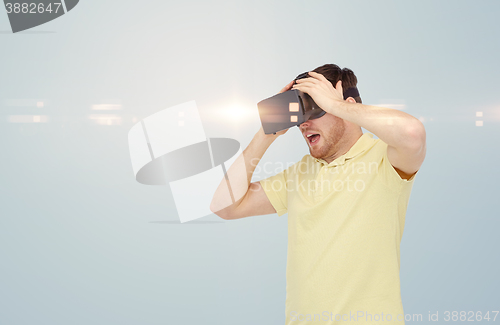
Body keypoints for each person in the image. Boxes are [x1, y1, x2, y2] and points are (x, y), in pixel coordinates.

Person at [210, 64, 426, 324]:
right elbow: (224, 206)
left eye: (314, 108)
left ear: (345, 105)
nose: (304, 123)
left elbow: (413, 134)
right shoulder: (299, 173)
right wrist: (265, 135)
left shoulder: (384, 159)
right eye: (300, 115)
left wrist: (337, 105)